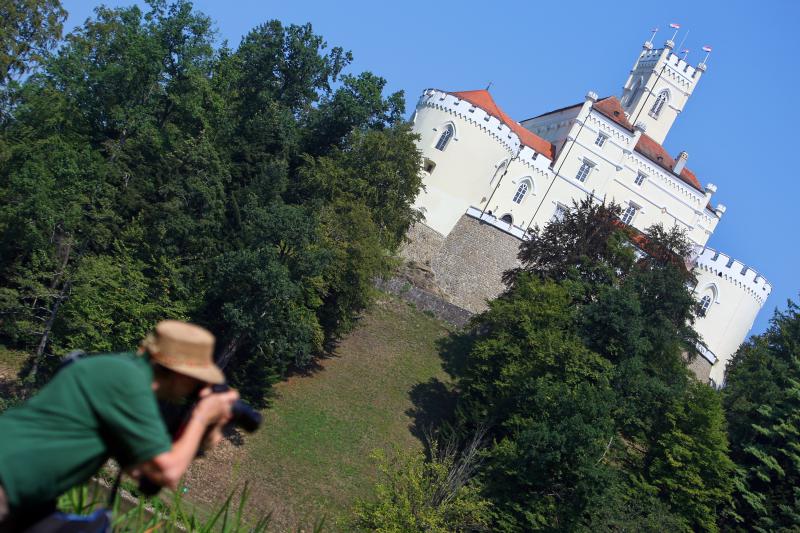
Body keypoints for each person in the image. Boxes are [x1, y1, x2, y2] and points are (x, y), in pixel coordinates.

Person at [0, 320, 239, 531]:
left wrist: (206, 433)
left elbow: (146, 477)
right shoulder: (128, 381)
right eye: (198, 380)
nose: (196, 388)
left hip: (22, 500)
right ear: (182, 374)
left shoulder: (124, 372)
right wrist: (200, 417)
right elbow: (169, 471)